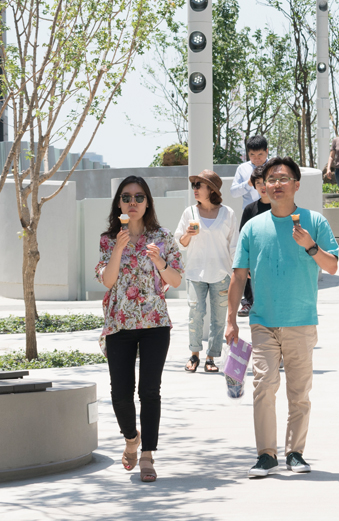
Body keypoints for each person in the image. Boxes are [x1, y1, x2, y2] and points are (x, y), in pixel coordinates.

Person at [226, 157, 339, 478]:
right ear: (263, 186)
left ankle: (295, 453)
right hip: (263, 320)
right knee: (263, 385)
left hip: (301, 320)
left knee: (299, 392)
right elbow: (238, 276)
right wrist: (231, 320)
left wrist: (310, 246)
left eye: (283, 178)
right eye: (270, 179)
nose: (276, 183)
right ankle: (266, 454)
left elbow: (331, 266)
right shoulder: (252, 227)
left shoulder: (314, 222)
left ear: (296, 185)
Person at [96, 175, 183, 482]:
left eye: (139, 197)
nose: (132, 203)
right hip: (119, 324)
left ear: (148, 203)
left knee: (149, 391)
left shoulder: (162, 236)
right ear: (118, 204)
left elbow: (175, 280)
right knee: (120, 393)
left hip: (155, 324)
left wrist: (160, 261)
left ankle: (147, 454)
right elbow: (107, 281)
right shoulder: (109, 239)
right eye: (126, 198)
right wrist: (119, 248)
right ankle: (131, 438)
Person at [176, 170, 239, 374]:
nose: (194, 189)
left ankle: (211, 357)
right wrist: (187, 234)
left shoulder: (228, 213)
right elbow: (180, 244)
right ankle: (194, 354)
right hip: (195, 273)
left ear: (211, 189)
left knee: (219, 318)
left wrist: (237, 272)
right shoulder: (189, 213)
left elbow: (234, 245)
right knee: (196, 314)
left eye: (198, 185)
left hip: (221, 273)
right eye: (193, 185)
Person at [237, 160, 273, 318]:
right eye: (258, 183)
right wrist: (247, 262)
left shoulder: (282, 207)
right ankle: (248, 302)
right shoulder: (249, 209)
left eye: (264, 181)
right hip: (255, 260)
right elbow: (243, 239)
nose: (262, 186)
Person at [231, 135, 269, 209]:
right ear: (248, 153)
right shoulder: (242, 168)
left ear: (266, 151)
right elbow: (233, 193)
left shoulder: (275, 167)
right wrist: (248, 184)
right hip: (250, 213)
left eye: (260, 154)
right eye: (252, 155)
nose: (256, 158)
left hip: (272, 210)